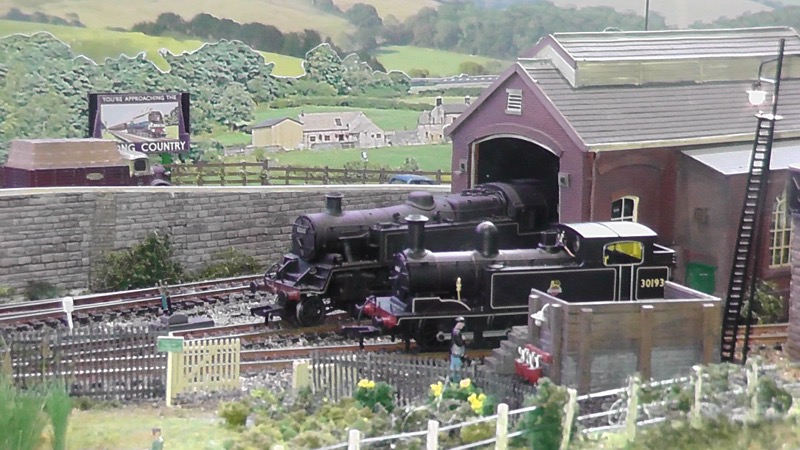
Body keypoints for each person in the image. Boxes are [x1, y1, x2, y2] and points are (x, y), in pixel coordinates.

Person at [450, 317, 467, 382]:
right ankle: (455, 380)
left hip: (455, 351)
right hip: (457, 351)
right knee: (457, 367)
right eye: (462, 324)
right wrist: (463, 339)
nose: (463, 325)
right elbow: (459, 343)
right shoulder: (457, 332)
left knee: (455, 366)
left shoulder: (454, 330)